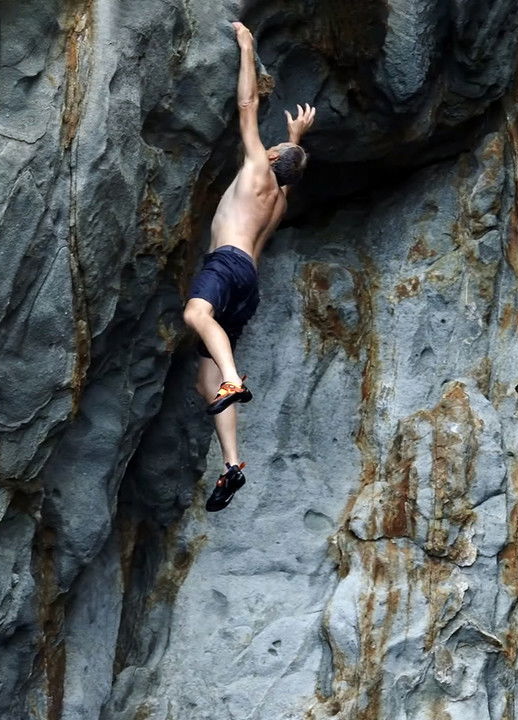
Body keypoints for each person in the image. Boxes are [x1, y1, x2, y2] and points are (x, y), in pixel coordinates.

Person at [183, 21, 316, 512]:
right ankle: (232, 464)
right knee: (204, 382)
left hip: (226, 265)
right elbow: (292, 171)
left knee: (196, 314)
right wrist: (296, 138)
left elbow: (246, 107)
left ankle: (233, 380)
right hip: (248, 285)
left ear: (272, 156)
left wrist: (246, 46)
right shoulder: (278, 202)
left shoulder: (260, 167)